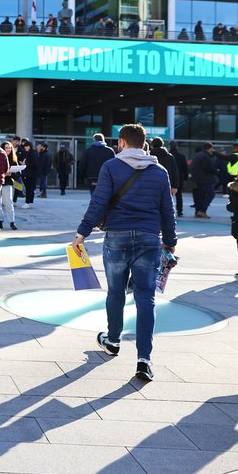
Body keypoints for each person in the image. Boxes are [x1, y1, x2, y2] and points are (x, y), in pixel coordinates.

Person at [72, 123, 176, 382]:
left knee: (116, 292)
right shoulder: (160, 171)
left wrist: (82, 233)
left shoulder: (111, 167)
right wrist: (171, 241)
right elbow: (168, 210)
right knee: (146, 298)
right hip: (149, 239)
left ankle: (113, 340)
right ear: (144, 143)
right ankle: (144, 360)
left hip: (117, 237)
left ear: (122, 142)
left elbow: (99, 202)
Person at [190, 142, 218, 218]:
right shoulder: (205, 157)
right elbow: (208, 168)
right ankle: (202, 211)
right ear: (208, 149)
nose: (213, 150)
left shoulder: (199, 155)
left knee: (201, 196)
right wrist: (216, 171)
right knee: (211, 194)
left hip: (199, 179)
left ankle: (198, 212)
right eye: (212, 148)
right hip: (206, 179)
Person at [149, 138, 180, 204]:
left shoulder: (149, 156)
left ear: (152, 145)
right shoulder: (169, 156)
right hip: (168, 183)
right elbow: (175, 171)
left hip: (151, 183)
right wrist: (175, 186)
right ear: (162, 144)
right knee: (166, 203)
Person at [169, 141, 189, 218]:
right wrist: (185, 178)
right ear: (177, 147)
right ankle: (179, 211)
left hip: (169, 178)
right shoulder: (181, 156)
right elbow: (185, 168)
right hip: (179, 178)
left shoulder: (168, 156)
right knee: (179, 195)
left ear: (170, 147)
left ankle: (168, 210)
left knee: (167, 195)